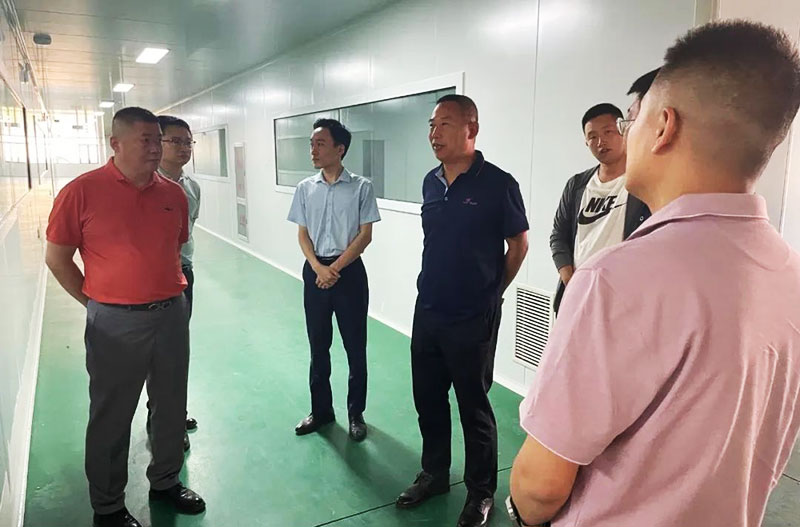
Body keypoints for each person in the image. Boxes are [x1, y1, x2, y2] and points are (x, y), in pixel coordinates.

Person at [508, 20, 800, 527]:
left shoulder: (617, 281)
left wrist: (520, 512)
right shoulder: (789, 275)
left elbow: (539, 487)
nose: (620, 136)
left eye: (629, 120)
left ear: (664, 126)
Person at [45, 107, 205, 527]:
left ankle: (166, 481)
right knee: (112, 414)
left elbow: (175, 249)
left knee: (171, 404)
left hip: (171, 314)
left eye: (158, 139)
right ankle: (108, 506)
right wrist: (97, 303)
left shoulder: (173, 194)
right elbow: (57, 258)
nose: (155, 148)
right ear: (115, 143)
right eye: (145, 140)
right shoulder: (81, 192)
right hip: (114, 322)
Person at [396, 94, 529, 527]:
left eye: (445, 124)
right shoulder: (431, 182)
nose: (434, 134)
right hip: (428, 309)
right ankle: (434, 474)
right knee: (428, 398)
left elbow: (518, 245)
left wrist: (492, 293)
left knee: (474, 406)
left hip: (473, 316)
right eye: (432, 125)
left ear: (471, 129)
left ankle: (481, 492)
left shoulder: (498, 183)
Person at [287, 118, 380, 442]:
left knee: (355, 347)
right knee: (318, 345)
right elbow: (302, 234)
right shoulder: (305, 188)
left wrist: (334, 269)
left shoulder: (362, 187)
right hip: (315, 272)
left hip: (349, 273)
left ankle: (356, 414)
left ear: (340, 149)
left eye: (320, 144)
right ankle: (321, 411)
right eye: (311, 144)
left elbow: (365, 236)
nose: (313, 150)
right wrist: (317, 267)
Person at [549, 103, 650, 315]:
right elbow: (558, 235)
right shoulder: (577, 185)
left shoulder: (643, 182)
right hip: (578, 295)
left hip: (624, 299)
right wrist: (569, 279)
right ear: (586, 142)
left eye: (608, 132)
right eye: (592, 136)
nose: (600, 142)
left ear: (624, 130)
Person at [150, 115, 201, 452]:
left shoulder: (192, 187)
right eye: (176, 141)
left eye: (188, 142)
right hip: (153, 278)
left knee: (177, 351)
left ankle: (174, 415)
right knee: (158, 355)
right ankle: (161, 421)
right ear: (158, 143)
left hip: (183, 272)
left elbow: (188, 230)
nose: (184, 148)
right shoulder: (147, 184)